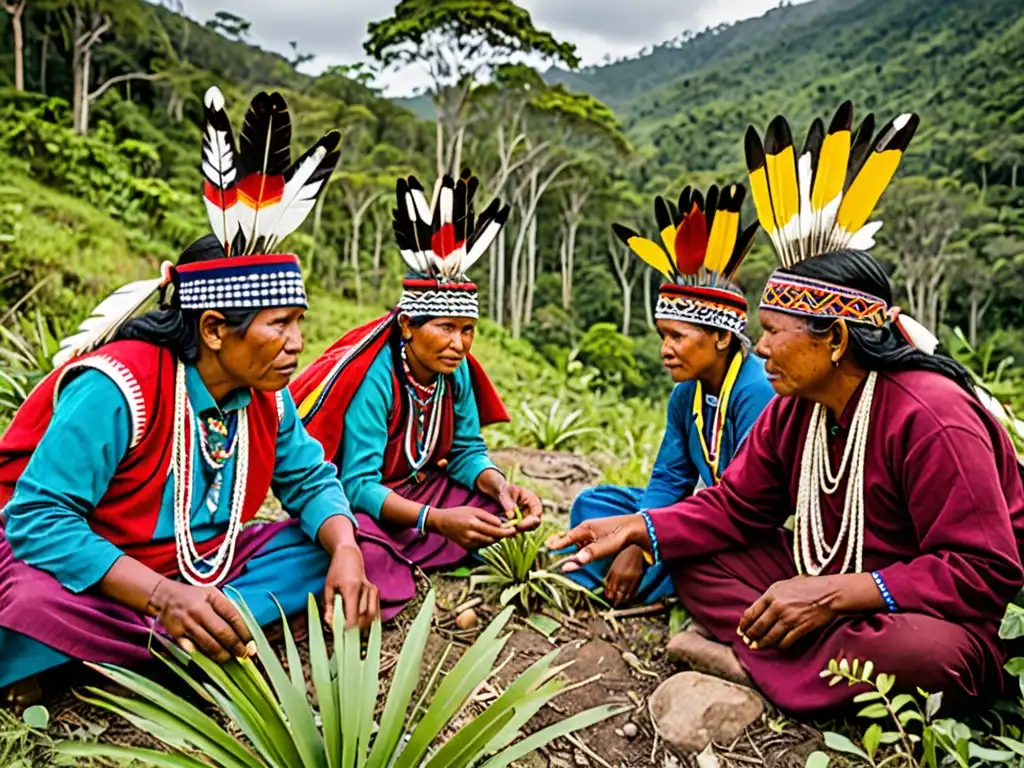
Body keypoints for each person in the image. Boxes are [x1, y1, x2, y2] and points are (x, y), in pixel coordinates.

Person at [548, 100, 1024, 714]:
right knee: (696, 558)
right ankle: (801, 661)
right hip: (829, 590)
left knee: (928, 657)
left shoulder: (931, 416)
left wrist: (835, 596)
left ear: (835, 340)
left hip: (922, 614)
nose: (762, 345)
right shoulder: (795, 407)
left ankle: (757, 657)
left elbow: (984, 572)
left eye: (774, 330)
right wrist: (639, 527)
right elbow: (735, 506)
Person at [0, 87, 378, 699]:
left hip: (202, 563)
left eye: (298, 322)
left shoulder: (265, 395)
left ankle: (167, 635)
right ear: (212, 330)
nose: (298, 343)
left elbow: (309, 481)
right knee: (32, 600)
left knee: (347, 545)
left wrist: (345, 550)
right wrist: (160, 594)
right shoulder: (117, 387)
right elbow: (38, 521)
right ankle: (174, 629)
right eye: (279, 324)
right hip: (101, 571)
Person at [291, 170, 543, 619]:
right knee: (364, 552)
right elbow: (357, 484)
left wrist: (499, 484)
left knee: (496, 514)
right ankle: (414, 555)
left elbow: (466, 451)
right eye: (445, 328)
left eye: (467, 330)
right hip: (372, 504)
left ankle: (438, 541)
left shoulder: (456, 372)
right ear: (407, 326)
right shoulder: (377, 379)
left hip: (426, 492)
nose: (459, 343)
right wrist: (437, 521)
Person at [564, 184, 775, 607]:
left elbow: (747, 507)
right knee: (595, 504)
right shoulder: (686, 396)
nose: (665, 349)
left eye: (677, 336)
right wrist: (635, 540)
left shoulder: (757, 391)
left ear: (719, 336)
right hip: (695, 514)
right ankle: (642, 571)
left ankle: (647, 576)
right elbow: (669, 478)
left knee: (703, 560)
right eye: (663, 336)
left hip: (740, 526)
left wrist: (643, 542)